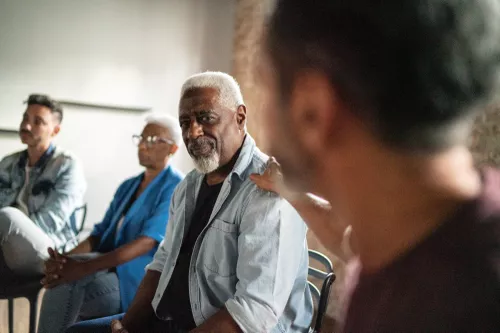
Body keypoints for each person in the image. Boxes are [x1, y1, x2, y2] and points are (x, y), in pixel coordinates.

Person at [260, 0, 500, 332]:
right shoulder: (418, 235)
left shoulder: (455, 309)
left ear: (311, 110)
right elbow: (347, 239)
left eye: (265, 86)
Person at [67, 71, 312, 333]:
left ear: (240, 117)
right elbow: (161, 265)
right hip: (172, 320)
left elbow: (254, 312)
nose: (193, 132)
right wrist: (127, 326)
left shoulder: (268, 188)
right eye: (185, 122)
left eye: (206, 118)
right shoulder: (188, 186)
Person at [37, 114, 184, 333]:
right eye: (141, 138)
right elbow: (99, 235)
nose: (143, 145)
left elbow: (146, 242)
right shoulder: (128, 185)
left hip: (138, 281)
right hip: (105, 267)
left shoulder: (177, 186)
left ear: (172, 149)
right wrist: (65, 261)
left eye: (153, 140)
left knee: (63, 287)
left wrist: (82, 267)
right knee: (62, 277)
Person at [0, 94, 86, 278]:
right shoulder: (8, 162)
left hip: (49, 250)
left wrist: (12, 234)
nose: (26, 126)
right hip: (6, 243)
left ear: (54, 131)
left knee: (7, 215)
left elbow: (51, 222)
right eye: (25, 118)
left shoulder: (67, 165)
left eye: (37, 122)